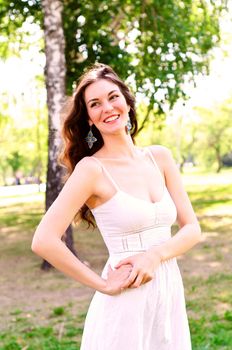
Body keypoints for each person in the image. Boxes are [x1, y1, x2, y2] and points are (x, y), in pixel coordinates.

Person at [32, 63, 201, 350]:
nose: (107, 108)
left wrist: (154, 256)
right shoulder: (91, 170)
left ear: (126, 101)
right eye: (95, 104)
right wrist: (102, 284)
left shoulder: (159, 157)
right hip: (125, 300)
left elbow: (192, 229)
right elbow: (43, 241)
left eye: (113, 97)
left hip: (169, 292)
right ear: (88, 119)